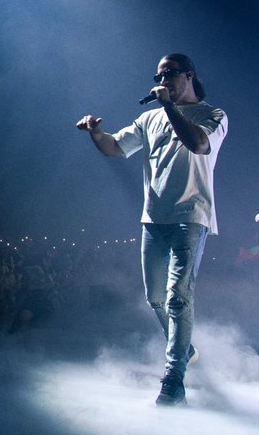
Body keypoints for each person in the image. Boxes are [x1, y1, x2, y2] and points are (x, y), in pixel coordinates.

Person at [76, 53, 228, 407]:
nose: (163, 81)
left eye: (170, 75)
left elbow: (199, 145)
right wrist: (96, 132)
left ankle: (173, 379)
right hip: (153, 218)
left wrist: (170, 108)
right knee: (155, 298)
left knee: (179, 297)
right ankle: (184, 348)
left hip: (192, 216)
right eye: (159, 76)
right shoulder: (149, 119)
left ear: (189, 75)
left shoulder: (212, 115)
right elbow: (115, 148)